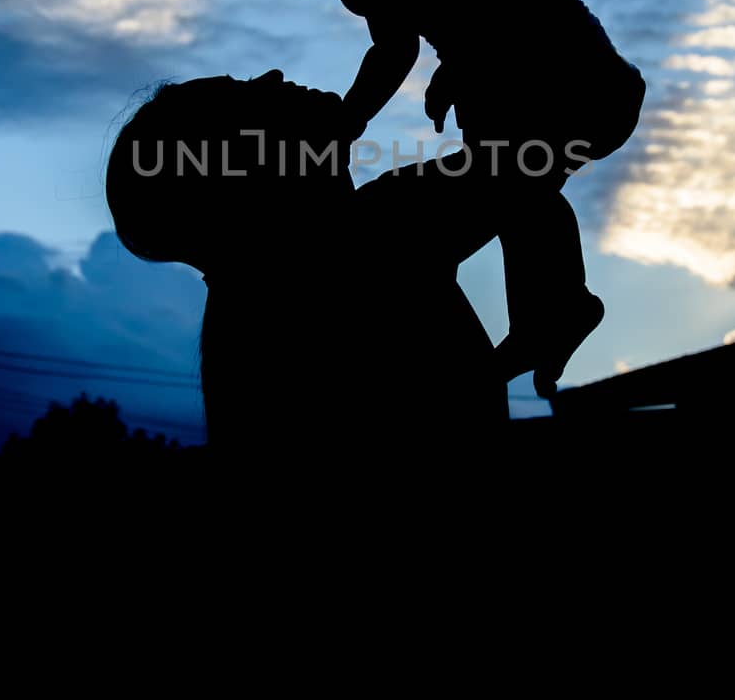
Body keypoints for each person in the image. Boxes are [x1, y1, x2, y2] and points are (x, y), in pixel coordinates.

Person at [239, 0, 646, 398]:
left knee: (513, 180)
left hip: (574, 75)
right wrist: (354, 118)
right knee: (513, 183)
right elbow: (393, 48)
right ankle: (549, 312)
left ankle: (554, 308)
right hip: (534, 86)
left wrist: (462, 62)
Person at [105, 69, 508, 457]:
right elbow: (535, 149)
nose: (273, 76)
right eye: (246, 95)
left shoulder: (247, 323)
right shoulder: (366, 244)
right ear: (242, 167)